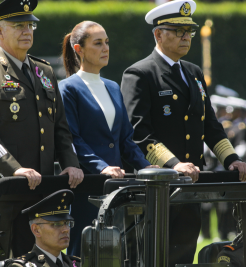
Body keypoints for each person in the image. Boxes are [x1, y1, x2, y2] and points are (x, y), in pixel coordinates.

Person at [120, 1, 246, 265]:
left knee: (183, 256)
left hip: (192, 186)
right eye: (178, 31)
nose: (185, 36)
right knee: (151, 257)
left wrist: (232, 160)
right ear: (158, 34)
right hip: (156, 189)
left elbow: (210, 126)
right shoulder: (139, 73)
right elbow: (139, 133)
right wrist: (174, 165)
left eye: (189, 31)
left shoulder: (193, 72)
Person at [0, 0, 83, 261]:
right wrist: (13, 169)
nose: (26, 31)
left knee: (35, 260)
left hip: (40, 190)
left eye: (30, 25)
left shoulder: (44, 71)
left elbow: (60, 128)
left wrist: (70, 164)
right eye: (18, 26)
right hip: (1, 189)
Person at [58, 21, 156, 257]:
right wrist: (101, 167)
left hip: (115, 190)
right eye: (98, 43)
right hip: (85, 189)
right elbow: (72, 139)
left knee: (113, 255)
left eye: (107, 42)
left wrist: (146, 166)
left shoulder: (112, 87)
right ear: (78, 49)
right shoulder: (67, 88)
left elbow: (125, 139)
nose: (105, 48)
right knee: (82, 253)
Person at [0, 190, 81, 267]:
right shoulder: (20, 266)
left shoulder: (78, 263)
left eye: (67, 223)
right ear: (36, 230)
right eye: (57, 224)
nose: (66, 229)